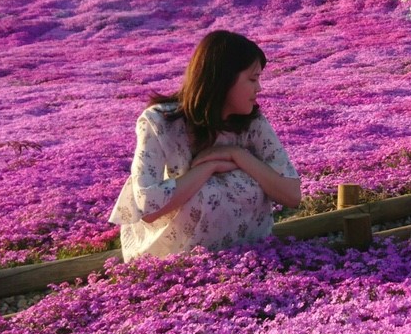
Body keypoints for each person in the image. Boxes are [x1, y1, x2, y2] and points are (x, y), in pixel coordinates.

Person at [109, 30, 301, 259]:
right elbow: (148, 208)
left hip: (248, 256)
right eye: (252, 79)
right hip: (172, 260)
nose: (259, 88)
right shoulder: (158, 122)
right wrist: (206, 168)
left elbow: (292, 195)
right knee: (211, 187)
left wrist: (237, 155)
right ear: (223, 79)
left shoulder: (253, 123)